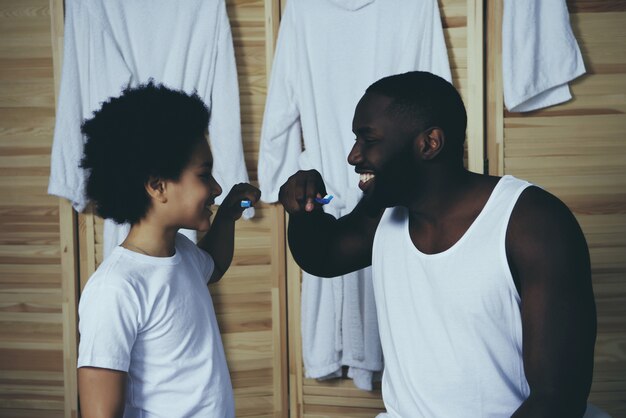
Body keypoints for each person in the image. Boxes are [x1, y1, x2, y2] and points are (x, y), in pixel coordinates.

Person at [279, 71, 597, 417]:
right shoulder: (382, 213)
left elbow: (557, 399)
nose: (354, 156)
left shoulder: (531, 222)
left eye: (368, 139)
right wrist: (302, 211)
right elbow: (324, 257)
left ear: (429, 143)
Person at [76, 82, 260, 417]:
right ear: (158, 186)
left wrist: (229, 215)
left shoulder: (183, 252)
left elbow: (214, 265)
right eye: (204, 175)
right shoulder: (115, 289)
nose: (217, 188)